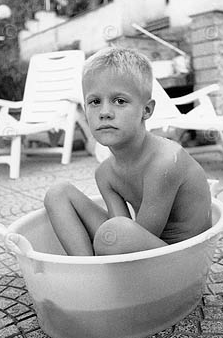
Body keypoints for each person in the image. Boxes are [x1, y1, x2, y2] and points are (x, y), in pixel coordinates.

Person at [44, 47, 211, 256]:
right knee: (58, 193)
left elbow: (132, 243)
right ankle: (87, 271)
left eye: (120, 101)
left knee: (113, 235)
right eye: (94, 102)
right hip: (136, 245)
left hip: (180, 258)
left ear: (146, 110)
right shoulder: (105, 174)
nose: (104, 112)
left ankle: (94, 276)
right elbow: (122, 228)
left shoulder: (165, 163)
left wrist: (113, 237)